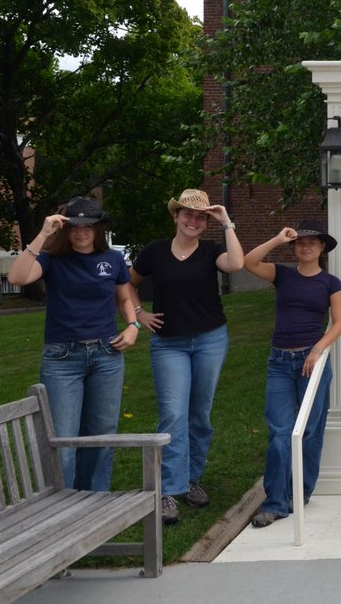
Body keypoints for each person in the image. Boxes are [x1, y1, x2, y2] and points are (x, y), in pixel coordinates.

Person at [7, 197, 141, 490]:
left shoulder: (113, 260)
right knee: (62, 439)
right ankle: (61, 503)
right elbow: (17, 277)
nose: (81, 232)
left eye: (88, 227)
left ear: (98, 229)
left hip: (107, 354)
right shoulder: (51, 259)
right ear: (65, 230)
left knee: (102, 435)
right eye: (75, 226)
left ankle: (94, 501)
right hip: (62, 358)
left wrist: (133, 325)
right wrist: (43, 234)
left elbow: (124, 299)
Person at [130, 189, 243, 525]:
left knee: (200, 413)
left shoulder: (211, 251)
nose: (193, 221)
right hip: (169, 344)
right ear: (176, 216)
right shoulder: (155, 251)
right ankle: (169, 489)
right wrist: (138, 313)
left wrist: (226, 222)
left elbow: (236, 264)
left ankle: (192, 478)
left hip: (210, 340)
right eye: (187, 214)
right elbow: (126, 284)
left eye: (200, 217)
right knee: (173, 414)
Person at [244, 220, 341, 528]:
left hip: (312, 362)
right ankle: (275, 502)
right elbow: (248, 262)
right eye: (300, 242)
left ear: (322, 247)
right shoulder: (282, 275)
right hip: (279, 362)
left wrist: (317, 350)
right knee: (280, 432)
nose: (306, 246)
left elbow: (339, 323)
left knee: (310, 430)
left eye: (312, 242)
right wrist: (278, 239)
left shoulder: (331, 283)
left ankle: (300, 492)